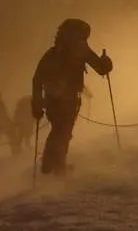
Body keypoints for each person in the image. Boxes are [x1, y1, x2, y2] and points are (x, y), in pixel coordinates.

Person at [31, 18, 113, 176]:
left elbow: (37, 79)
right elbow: (102, 69)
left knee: (58, 129)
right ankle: (56, 165)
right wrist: (107, 62)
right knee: (64, 131)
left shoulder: (51, 53)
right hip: (70, 98)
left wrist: (37, 103)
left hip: (51, 98)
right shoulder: (81, 50)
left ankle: (50, 163)